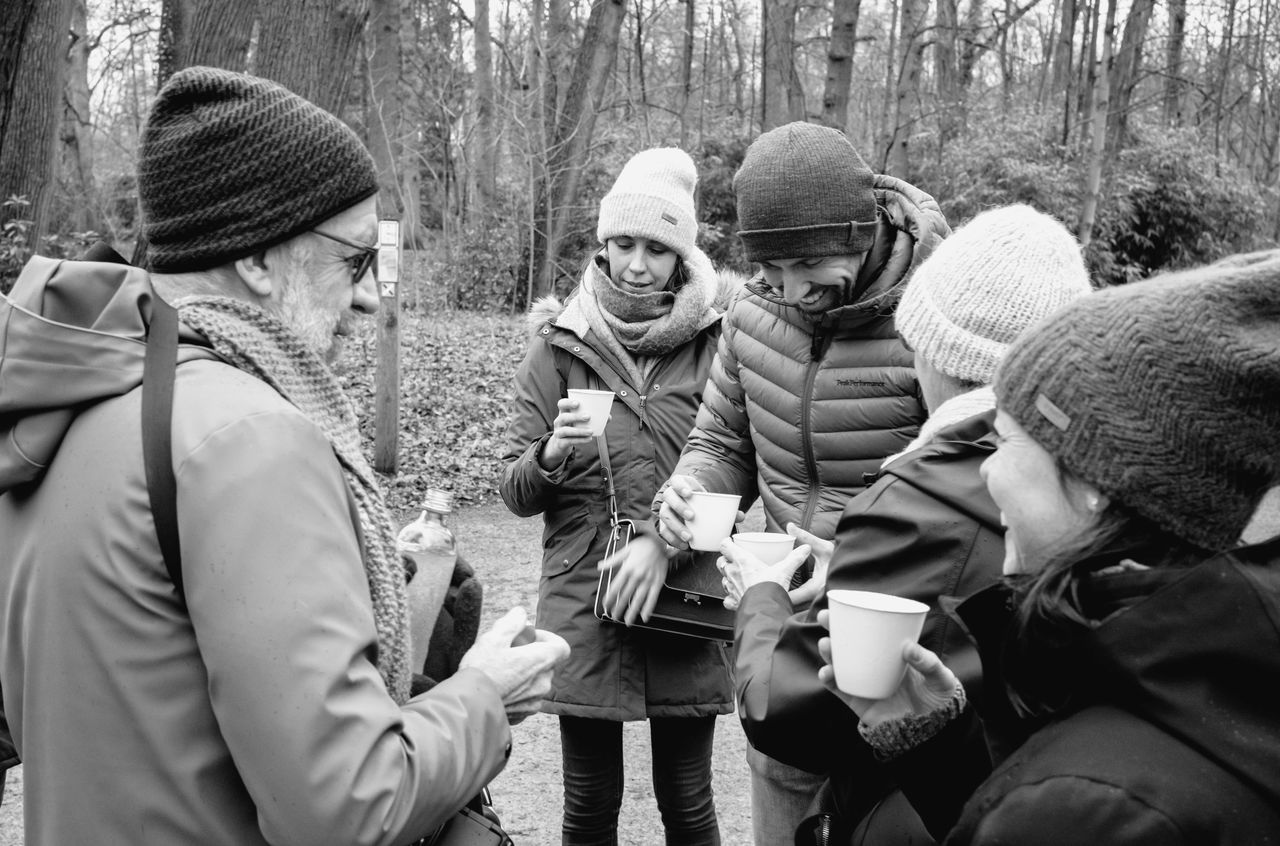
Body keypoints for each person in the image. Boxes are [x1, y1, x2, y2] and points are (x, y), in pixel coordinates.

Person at [0, 66, 568, 845]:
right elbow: (346, 807)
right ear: (259, 259)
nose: (367, 295)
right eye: (354, 260)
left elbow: (141, 687)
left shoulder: (63, 410)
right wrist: (483, 699)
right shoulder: (249, 436)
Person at [815, 250, 1280, 844]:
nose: (987, 471)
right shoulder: (1213, 688)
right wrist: (935, 741)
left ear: (1097, 483)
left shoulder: (1087, 806)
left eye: (1006, 442)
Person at [621, 120, 950, 845]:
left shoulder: (932, 318)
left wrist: (859, 562)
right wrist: (686, 492)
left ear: (861, 234)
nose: (792, 291)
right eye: (772, 268)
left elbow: (967, 481)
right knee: (783, 787)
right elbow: (719, 440)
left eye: (808, 264)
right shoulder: (751, 312)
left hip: (899, 637)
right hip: (786, 629)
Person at [721, 205, 1093, 843]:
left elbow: (783, 713)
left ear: (937, 355)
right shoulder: (1093, 484)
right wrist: (857, 569)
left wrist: (762, 598)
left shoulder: (914, 500)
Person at [500, 147, 735, 845]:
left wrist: (670, 539)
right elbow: (514, 491)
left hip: (686, 588)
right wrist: (550, 454)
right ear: (603, 243)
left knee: (688, 803)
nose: (637, 265)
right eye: (625, 244)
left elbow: (732, 467)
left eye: (657, 249)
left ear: (681, 257)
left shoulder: (718, 343)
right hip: (584, 595)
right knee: (589, 805)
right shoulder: (556, 346)